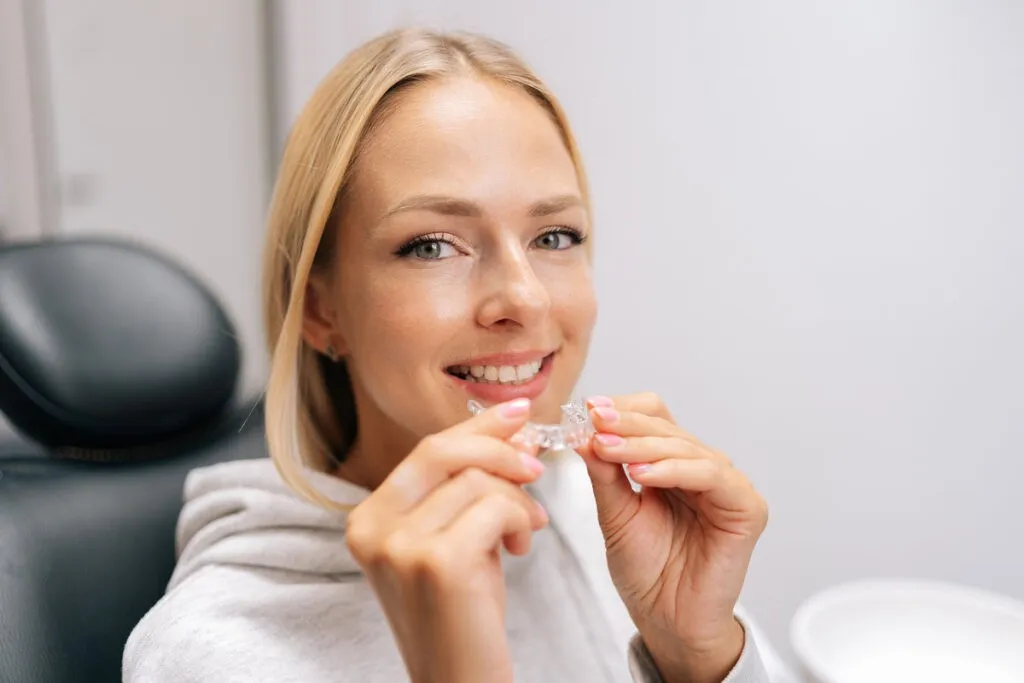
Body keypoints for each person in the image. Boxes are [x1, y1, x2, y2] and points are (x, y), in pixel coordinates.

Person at [124, 28, 797, 683]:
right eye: (433, 245)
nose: (524, 298)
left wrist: (700, 658)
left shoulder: (616, 530)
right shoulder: (208, 652)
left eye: (555, 235)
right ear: (323, 310)